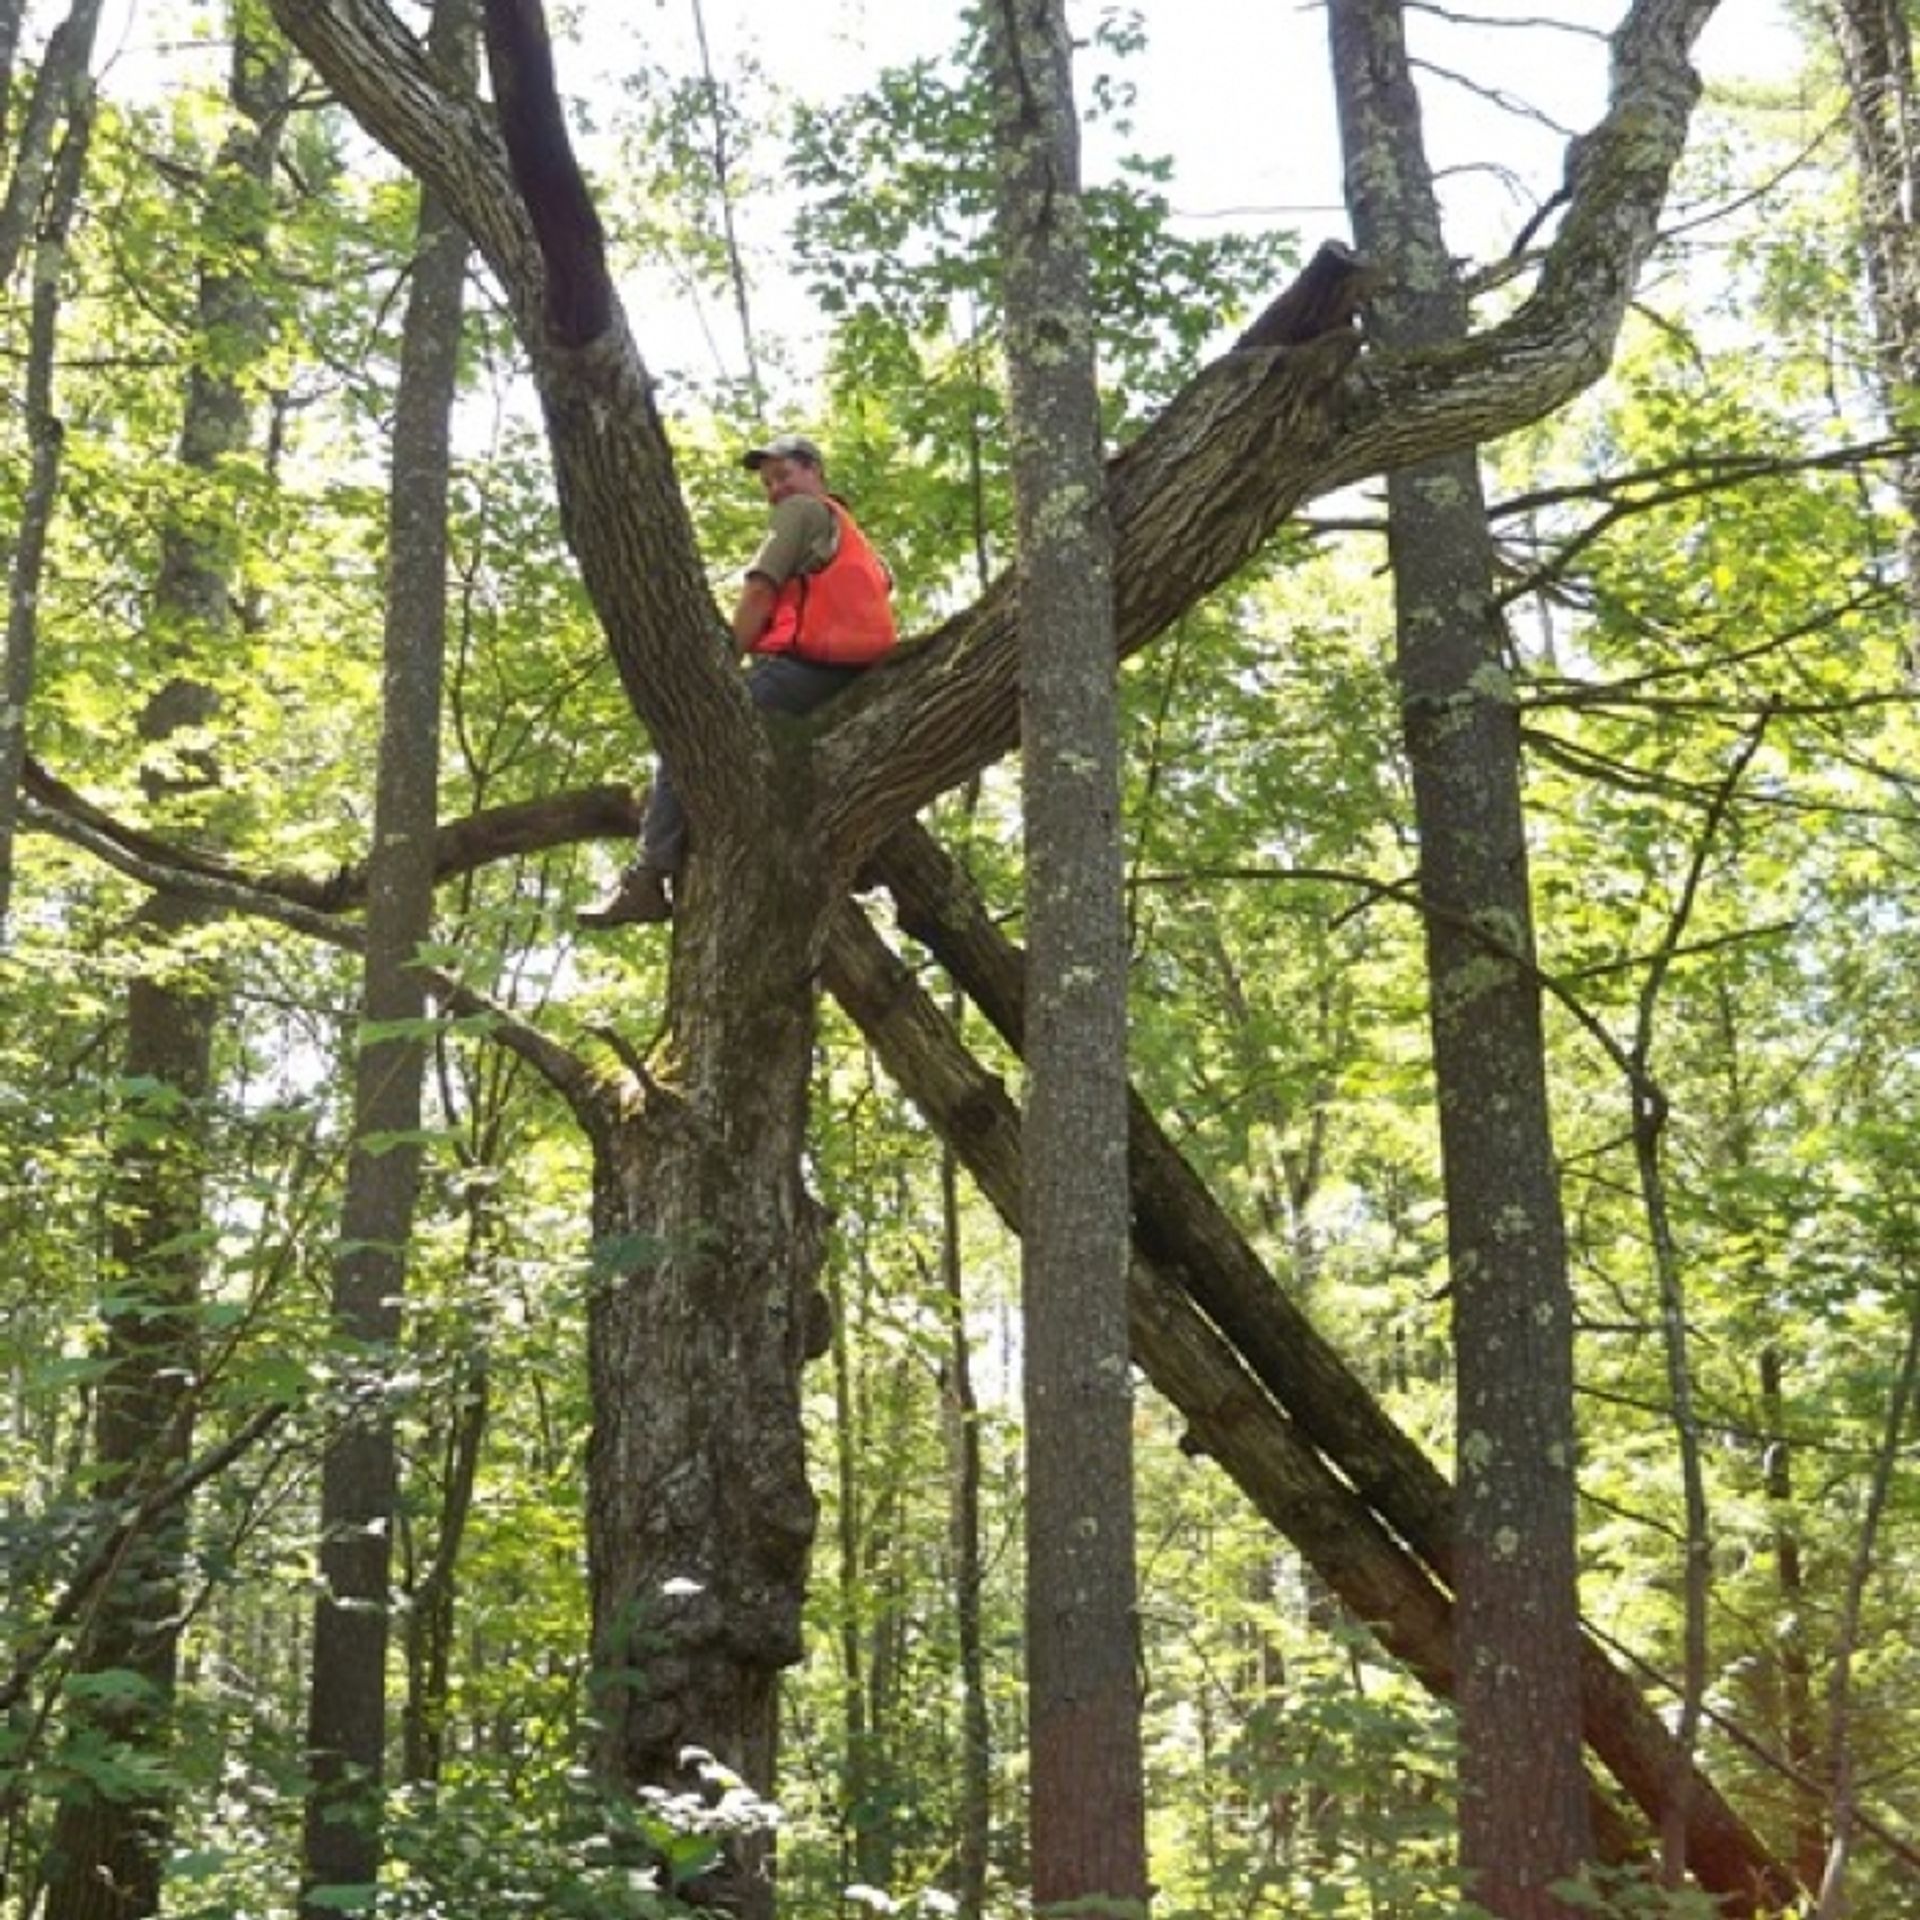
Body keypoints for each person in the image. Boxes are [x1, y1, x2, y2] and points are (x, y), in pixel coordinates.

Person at [579, 434, 899, 928]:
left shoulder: (801, 513)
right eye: (768, 483)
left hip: (804, 669)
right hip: (852, 674)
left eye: (784, 475)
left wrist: (722, 669)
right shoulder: (854, 535)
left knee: (687, 732)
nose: (775, 489)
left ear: (814, 471)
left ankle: (647, 877)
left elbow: (759, 593)